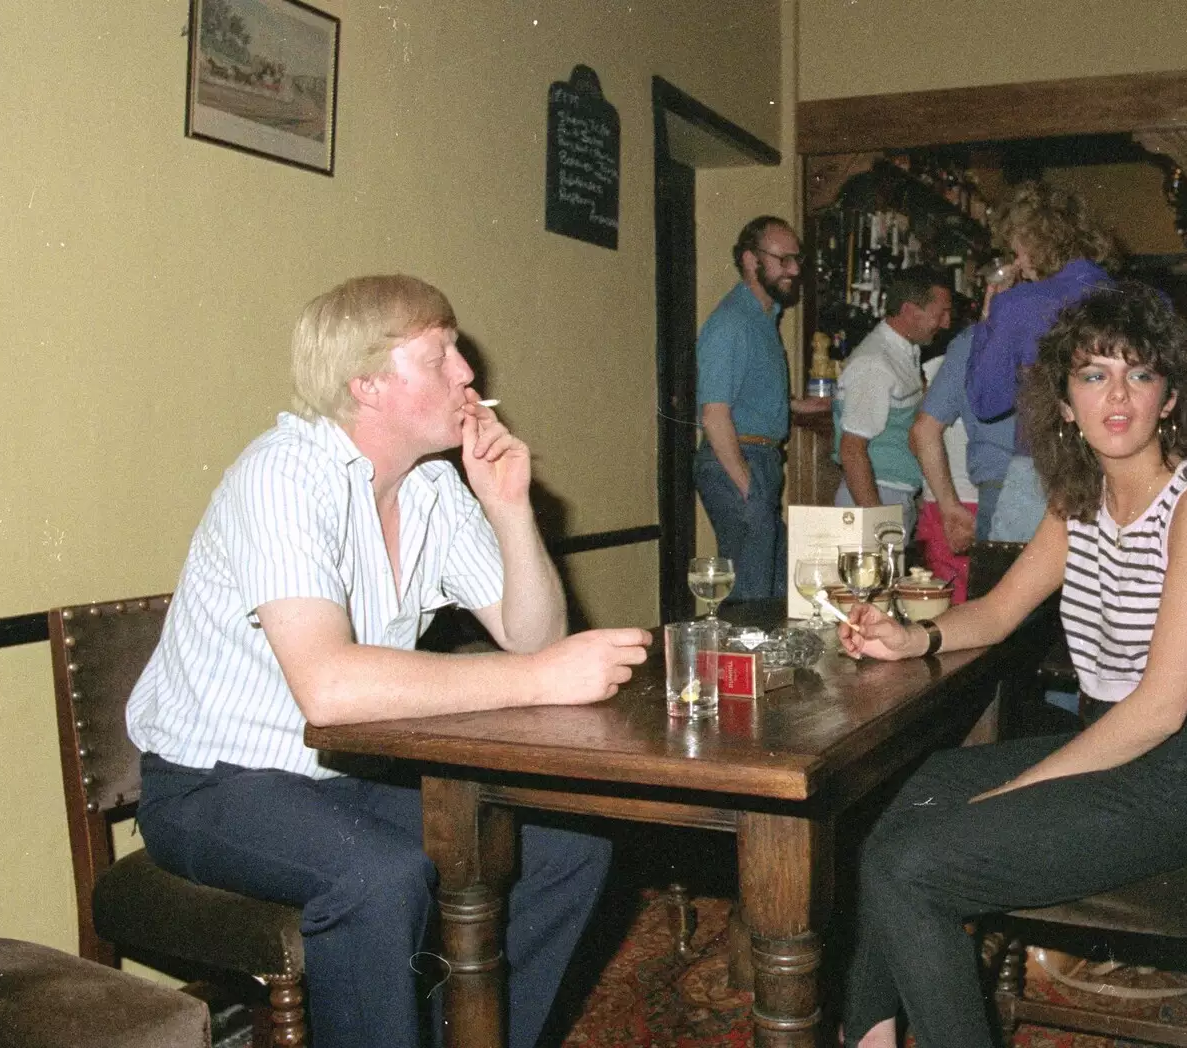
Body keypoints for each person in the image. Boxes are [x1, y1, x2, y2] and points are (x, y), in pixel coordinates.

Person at [126, 275, 653, 1048]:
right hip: (212, 787)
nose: (468, 374)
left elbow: (532, 637)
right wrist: (541, 678)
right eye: (440, 357)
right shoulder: (281, 476)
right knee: (379, 877)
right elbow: (331, 689)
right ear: (367, 384)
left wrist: (510, 511)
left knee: (570, 847)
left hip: (343, 777)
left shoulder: (434, 488)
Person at [838, 282, 1187, 1048]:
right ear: (1064, 404)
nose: (1118, 396)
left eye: (1140, 374)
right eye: (1093, 375)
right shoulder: (1081, 502)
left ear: (1169, 397)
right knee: (906, 794)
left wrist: (1014, 792)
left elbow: (1161, 711)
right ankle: (867, 1035)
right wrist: (913, 637)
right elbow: (1000, 612)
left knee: (912, 865)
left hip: (1181, 776)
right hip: (1116, 754)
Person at [966, 181, 1119, 542]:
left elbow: (987, 402)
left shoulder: (1020, 304)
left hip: (1043, 474)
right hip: (1122, 472)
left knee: (1013, 593)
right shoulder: (1133, 296)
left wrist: (989, 321)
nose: (1016, 260)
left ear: (1033, 240)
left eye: (1016, 248)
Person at [695, 216, 828, 601]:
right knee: (752, 599)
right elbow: (714, 415)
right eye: (783, 260)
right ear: (751, 261)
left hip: (758, 459)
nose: (795, 269)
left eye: (796, 259)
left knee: (775, 587)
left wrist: (801, 406)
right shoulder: (731, 323)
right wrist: (748, 486)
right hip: (736, 459)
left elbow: (746, 396)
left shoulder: (763, 318)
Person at [833, 268, 954, 539]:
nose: (946, 323)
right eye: (940, 313)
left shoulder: (904, 352)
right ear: (911, 311)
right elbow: (852, 450)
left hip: (895, 495)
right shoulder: (875, 363)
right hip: (874, 496)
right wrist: (877, 523)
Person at [909, 341, 1016, 601]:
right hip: (960, 499)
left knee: (962, 600)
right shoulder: (956, 358)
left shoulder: (956, 357)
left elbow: (919, 436)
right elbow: (920, 435)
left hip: (958, 499)